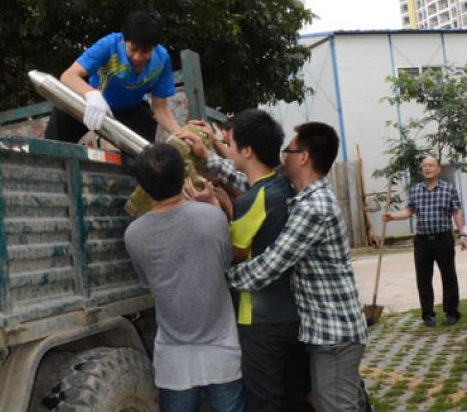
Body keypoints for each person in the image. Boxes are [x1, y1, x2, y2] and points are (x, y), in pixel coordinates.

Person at [222, 122, 368, 412]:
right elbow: (255, 184)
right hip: (325, 332)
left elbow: (270, 266)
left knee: (336, 406)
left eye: (288, 150)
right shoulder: (300, 195)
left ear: (303, 157)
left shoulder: (315, 207)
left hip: (334, 335)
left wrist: (221, 275)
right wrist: (213, 159)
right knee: (341, 400)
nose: (282, 155)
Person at [181, 110, 312, 411]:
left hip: (260, 320)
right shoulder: (282, 185)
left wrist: (211, 208)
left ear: (247, 150)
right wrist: (207, 152)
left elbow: (233, 253)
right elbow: (242, 178)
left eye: (231, 143)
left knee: (265, 400)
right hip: (292, 313)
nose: (226, 147)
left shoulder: (255, 199)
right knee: (295, 396)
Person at [123, 143, 247, 412]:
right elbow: (227, 261)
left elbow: (149, 283)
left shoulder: (134, 234)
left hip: (174, 358)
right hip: (221, 349)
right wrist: (216, 204)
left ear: (143, 188)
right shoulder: (211, 218)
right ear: (184, 177)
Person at [44, 10, 180, 143]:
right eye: (133, 49)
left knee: (146, 126)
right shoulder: (109, 45)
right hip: (94, 104)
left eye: (145, 51)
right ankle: (47, 159)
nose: (138, 57)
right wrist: (91, 94)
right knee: (63, 111)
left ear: (154, 47)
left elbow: (160, 108)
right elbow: (68, 76)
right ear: (124, 40)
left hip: (129, 110)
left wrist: (180, 133)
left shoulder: (162, 60)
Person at [383, 155, 466, 327]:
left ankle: (452, 312)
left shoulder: (448, 189)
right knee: (423, 279)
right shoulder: (416, 190)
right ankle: (428, 314)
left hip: (443, 239)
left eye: (431, 165)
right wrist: (392, 216)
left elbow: (457, 211)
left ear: (438, 169)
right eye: (425, 166)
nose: (427, 168)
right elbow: (409, 210)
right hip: (422, 241)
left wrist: (463, 234)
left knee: (449, 276)